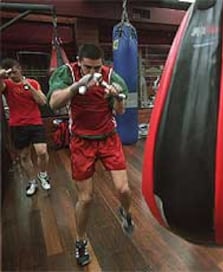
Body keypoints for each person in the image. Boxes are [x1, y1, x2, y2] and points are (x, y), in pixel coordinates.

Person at [48, 44, 134, 266]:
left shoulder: (111, 76)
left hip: (108, 138)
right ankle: (80, 241)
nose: (93, 73)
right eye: (88, 68)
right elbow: (53, 102)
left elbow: (121, 111)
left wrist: (117, 97)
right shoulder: (67, 72)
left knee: (123, 189)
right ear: (79, 61)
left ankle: (125, 212)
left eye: (97, 68)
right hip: (81, 141)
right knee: (86, 198)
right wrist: (77, 86)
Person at [0, 58, 51, 196]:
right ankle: (32, 181)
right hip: (17, 125)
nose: (13, 75)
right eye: (10, 73)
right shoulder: (6, 85)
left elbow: (42, 101)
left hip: (35, 122)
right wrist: (2, 74)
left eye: (15, 71)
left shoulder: (32, 82)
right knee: (24, 156)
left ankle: (43, 174)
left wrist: (28, 85)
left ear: (20, 68)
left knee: (42, 151)